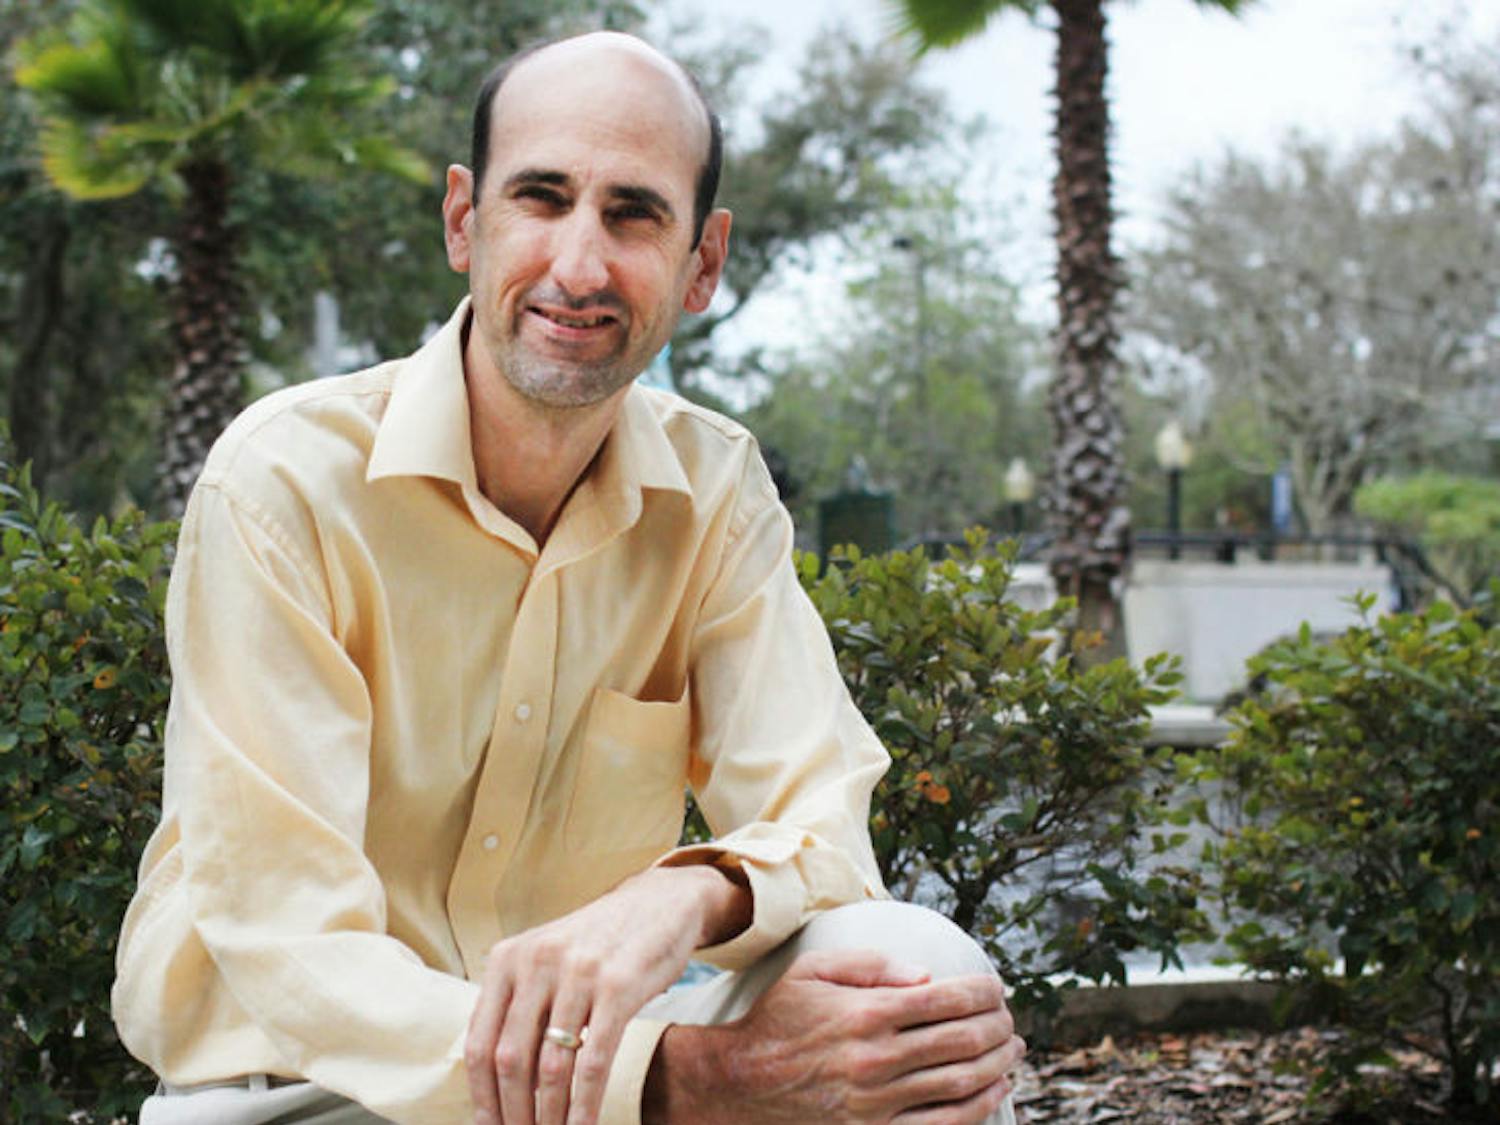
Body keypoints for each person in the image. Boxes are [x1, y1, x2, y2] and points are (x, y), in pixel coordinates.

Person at [113, 31, 1025, 1125]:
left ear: (702, 262)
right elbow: (289, 945)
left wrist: (685, 892)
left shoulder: (715, 492)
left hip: (592, 1081)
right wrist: (681, 1081)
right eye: (541, 199)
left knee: (911, 975)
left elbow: (822, 817)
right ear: (465, 220)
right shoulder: (286, 485)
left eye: (633, 215)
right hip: (307, 1093)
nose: (581, 267)